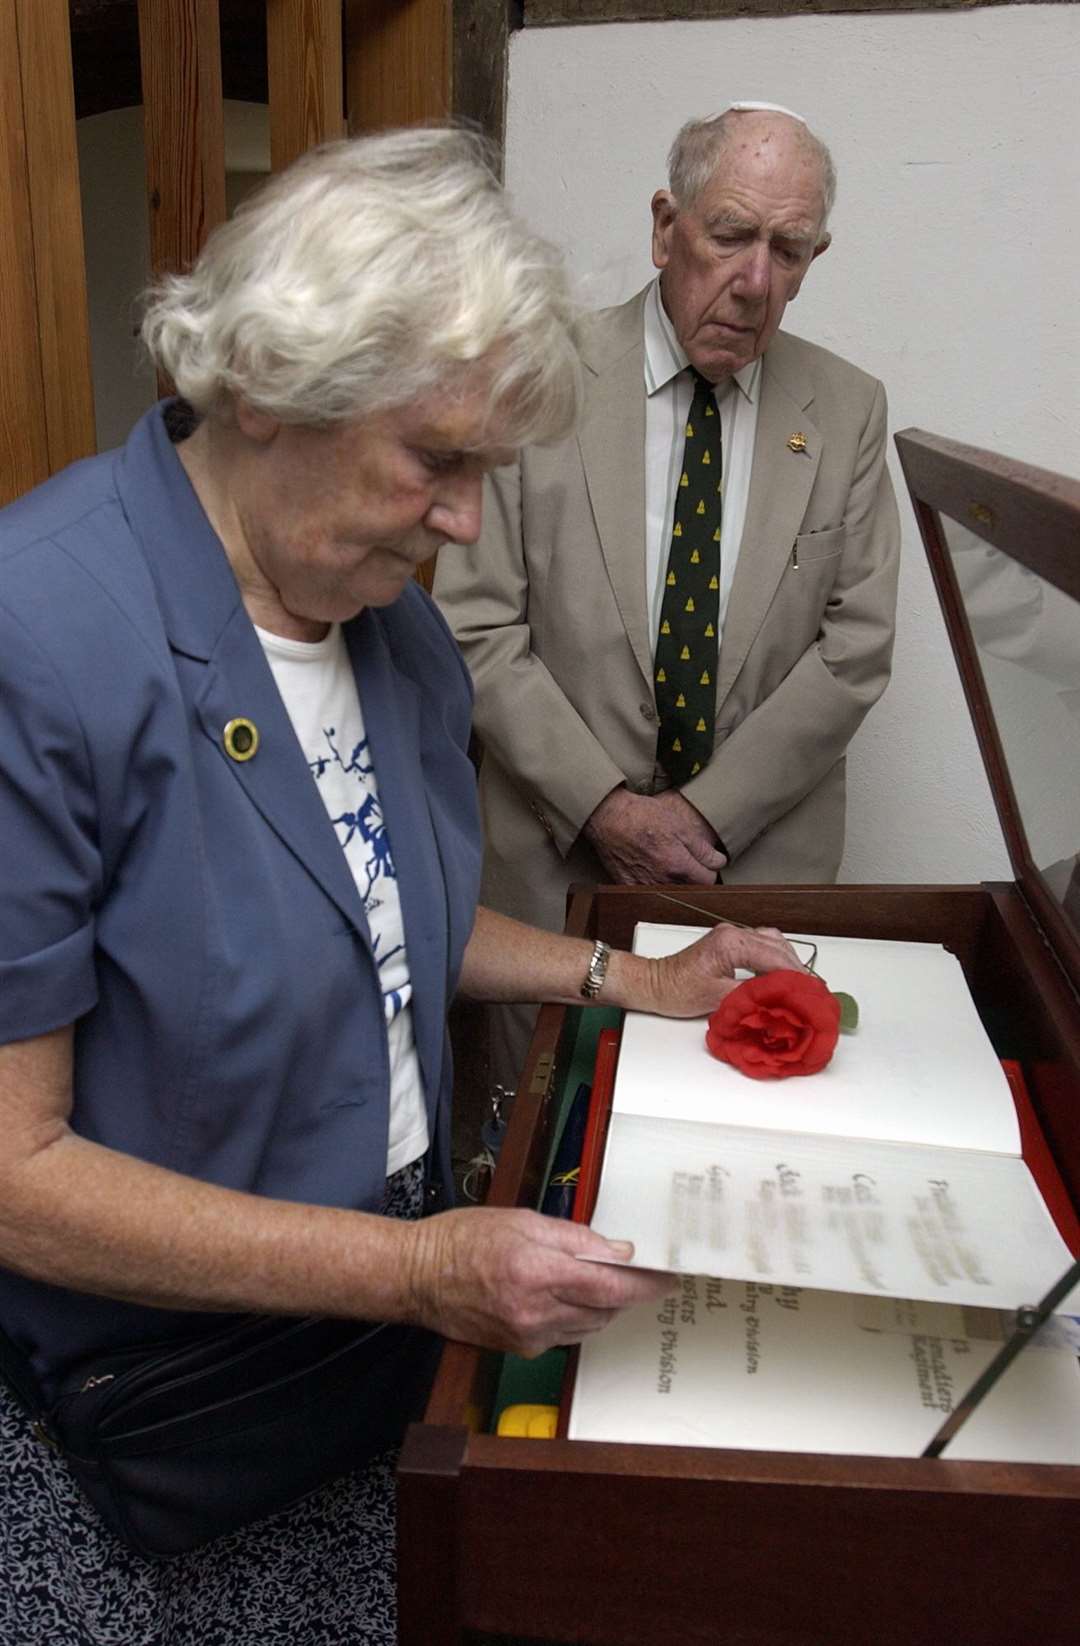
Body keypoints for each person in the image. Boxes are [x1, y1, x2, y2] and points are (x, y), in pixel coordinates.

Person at [0, 127, 803, 1644]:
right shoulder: (37, 634)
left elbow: (385, 919)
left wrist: (631, 978)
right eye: (437, 461)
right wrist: (422, 1264)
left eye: (485, 472)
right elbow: (13, 1171)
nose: (461, 524)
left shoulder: (394, 629)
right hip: (141, 1424)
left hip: (359, 1367)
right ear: (265, 389)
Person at [434, 104, 901, 1090]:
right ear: (664, 226)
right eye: (731, 235)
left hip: (756, 869)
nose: (757, 282)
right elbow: (475, 622)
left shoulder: (849, 410)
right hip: (554, 867)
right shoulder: (536, 375)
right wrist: (605, 803)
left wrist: (704, 814)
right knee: (541, 1137)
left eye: (791, 249)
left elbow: (855, 643)